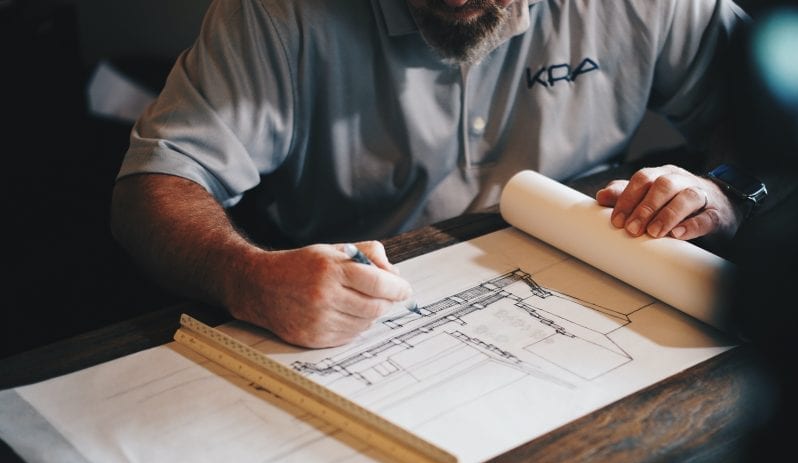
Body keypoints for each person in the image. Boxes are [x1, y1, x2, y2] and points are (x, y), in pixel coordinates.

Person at [111, 0, 751, 348]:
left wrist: (724, 189)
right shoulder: (276, 14)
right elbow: (153, 187)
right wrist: (245, 277)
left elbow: (795, 119)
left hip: (602, 308)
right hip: (348, 315)